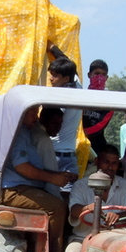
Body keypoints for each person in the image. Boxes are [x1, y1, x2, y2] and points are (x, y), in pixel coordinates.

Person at [0, 106, 77, 252]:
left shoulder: (28, 133)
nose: (36, 117)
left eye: (36, 112)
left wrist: (58, 174)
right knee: (57, 207)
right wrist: (53, 178)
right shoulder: (20, 133)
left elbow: (33, 168)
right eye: (32, 113)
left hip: (24, 186)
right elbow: (22, 167)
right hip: (13, 189)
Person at [46, 45, 82, 178]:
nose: (51, 78)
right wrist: (53, 48)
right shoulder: (78, 87)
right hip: (70, 156)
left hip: (54, 156)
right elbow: (69, 64)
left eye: (55, 76)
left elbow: (49, 126)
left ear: (66, 79)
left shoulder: (61, 98)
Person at [31, 106, 65, 198]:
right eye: (54, 123)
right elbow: (52, 180)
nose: (58, 128)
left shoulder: (33, 131)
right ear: (42, 119)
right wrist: (58, 200)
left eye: (60, 124)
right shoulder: (43, 140)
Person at [82, 59, 114, 154]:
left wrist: (82, 134)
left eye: (103, 74)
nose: (100, 77)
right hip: (78, 144)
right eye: (96, 73)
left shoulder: (109, 102)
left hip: (97, 147)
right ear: (89, 75)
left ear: (107, 77)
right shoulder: (80, 97)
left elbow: (100, 126)